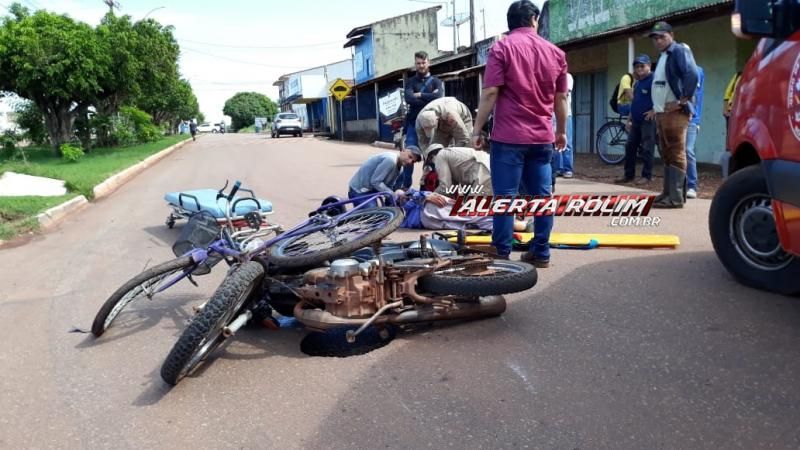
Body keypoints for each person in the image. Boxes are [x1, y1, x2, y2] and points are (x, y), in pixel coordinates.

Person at [472, 0, 568, 267]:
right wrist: (561, 131)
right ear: (534, 20)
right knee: (543, 197)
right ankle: (541, 252)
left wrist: (476, 129)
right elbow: (561, 99)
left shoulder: (501, 48)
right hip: (541, 138)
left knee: (505, 197)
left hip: (509, 138)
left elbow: (490, 92)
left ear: (509, 22)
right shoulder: (556, 53)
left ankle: (501, 252)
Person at [647, 21, 699, 209]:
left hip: (674, 113)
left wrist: (682, 101)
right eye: (655, 38)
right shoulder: (664, 55)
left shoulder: (679, 50)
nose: (658, 40)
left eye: (662, 36)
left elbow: (692, 74)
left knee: (676, 152)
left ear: (672, 35)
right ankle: (668, 193)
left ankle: (676, 198)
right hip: (662, 113)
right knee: (667, 153)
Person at [399, 51, 444, 190]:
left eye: (423, 62)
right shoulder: (410, 82)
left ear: (428, 63)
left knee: (432, 158)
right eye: (418, 63)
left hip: (432, 127)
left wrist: (419, 95)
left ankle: (428, 187)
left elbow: (439, 97)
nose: (421, 65)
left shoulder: (436, 81)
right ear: (415, 64)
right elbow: (409, 98)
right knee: (408, 158)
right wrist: (428, 96)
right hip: (413, 125)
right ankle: (406, 188)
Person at [615, 54, 656, 185]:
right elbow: (635, 103)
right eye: (637, 66)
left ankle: (647, 176)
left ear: (649, 66)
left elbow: (662, 96)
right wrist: (629, 119)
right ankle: (628, 175)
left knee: (647, 148)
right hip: (636, 121)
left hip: (648, 120)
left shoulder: (654, 80)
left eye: (642, 66)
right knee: (630, 146)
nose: (639, 69)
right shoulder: (637, 83)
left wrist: (655, 110)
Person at [348, 146, 422, 208]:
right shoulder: (390, 160)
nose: (409, 162)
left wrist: (395, 199)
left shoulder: (400, 168)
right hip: (359, 191)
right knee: (373, 218)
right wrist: (393, 194)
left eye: (413, 161)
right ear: (402, 150)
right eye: (410, 157)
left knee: (384, 214)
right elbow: (375, 182)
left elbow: (389, 186)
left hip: (371, 191)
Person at [421, 143, 493, 196]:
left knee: (472, 211)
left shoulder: (440, 156)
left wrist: (430, 197)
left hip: (483, 172)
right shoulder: (451, 155)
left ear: (431, 157)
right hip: (490, 167)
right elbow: (452, 188)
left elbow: (445, 188)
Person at [686, 61, 704, 199]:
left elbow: (692, 95)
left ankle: (692, 185)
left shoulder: (696, 71)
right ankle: (678, 185)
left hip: (691, 119)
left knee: (688, 150)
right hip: (676, 117)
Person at [552, 72, 574, 178]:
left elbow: (564, 93)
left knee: (567, 143)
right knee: (555, 143)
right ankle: (558, 168)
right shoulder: (552, 76)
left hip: (566, 114)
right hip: (552, 115)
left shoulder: (567, 77)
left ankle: (567, 169)